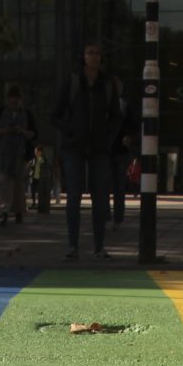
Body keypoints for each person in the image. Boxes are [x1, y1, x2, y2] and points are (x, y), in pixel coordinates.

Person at [50, 42, 125, 260]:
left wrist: (108, 137)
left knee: (100, 197)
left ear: (101, 58)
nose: (93, 57)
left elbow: (116, 117)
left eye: (97, 53)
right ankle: (73, 246)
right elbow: (55, 114)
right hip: (74, 147)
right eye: (90, 53)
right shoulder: (73, 82)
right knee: (74, 195)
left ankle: (99, 246)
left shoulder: (107, 84)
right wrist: (71, 131)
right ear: (83, 56)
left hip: (99, 147)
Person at [0, 85, 36, 227]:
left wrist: (21, 131)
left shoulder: (27, 114)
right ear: (8, 100)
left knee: (19, 183)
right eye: (12, 101)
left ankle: (19, 211)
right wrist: (6, 130)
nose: (15, 104)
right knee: (4, 183)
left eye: (17, 101)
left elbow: (33, 134)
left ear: (21, 100)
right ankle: (5, 211)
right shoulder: (0, 113)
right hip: (3, 154)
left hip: (21, 154)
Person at [109, 93, 139, 225]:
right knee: (111, 185)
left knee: (118, 185)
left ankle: (117, 216)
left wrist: (130, 137)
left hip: (119, 150)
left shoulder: (124, 105)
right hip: (108, 149)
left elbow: (134, 126)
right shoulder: (107, 102)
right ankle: (112, 216)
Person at [29, 145, 51, 214]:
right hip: (35, 177)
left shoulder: (42, 158)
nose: (35, 152)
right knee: (33, 190)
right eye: (35, 151)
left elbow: (44, 167)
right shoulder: (34, 159)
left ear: (40, 152)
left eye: (36, 151)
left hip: (41, 178)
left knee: (42, 192)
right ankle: (34, 202)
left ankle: (42, 208)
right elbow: (32, 167)